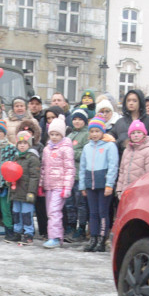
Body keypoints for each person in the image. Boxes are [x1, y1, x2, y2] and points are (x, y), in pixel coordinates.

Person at [79, 117, 118, 252]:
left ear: (103, 131)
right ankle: (93, 237)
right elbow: (82, 167)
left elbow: (113, 166)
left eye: (97, 131)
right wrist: (83, 185)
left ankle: (102, 238)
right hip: (91, 184)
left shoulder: (109, 146)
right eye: (92, 131)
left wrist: (109, 184)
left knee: (103, 212)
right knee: (93, 213)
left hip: (103, 184)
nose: (94, 134)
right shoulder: (87, 147)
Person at [40, 116, 75, 249]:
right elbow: (44, 168)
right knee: (50, 212)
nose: (54, 137)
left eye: (57, 134)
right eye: (52, 134)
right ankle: (56, 236)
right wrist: (41, 183)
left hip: (60, 186)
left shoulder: (66, 149)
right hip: (49, 185)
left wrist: (67, 187)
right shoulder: (46, 149)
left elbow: (69, 169)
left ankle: (54, 237)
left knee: (54, 211)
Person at [8, 131, 42, 245]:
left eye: (25, 143)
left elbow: (34, 176)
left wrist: (31, 192)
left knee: (26, 213)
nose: (22, 145)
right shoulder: (16, 157)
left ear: (29, 144)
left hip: (27, 191)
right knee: (16, 213)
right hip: (16, 191)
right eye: (20, 143)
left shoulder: (32, 158)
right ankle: (17, 231)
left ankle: (28, 233)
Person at [64, 108, 90, 243]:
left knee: (81, 203)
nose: (77, 121)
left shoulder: (86, 135)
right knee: (69, 203)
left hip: (80, 175)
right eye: (75, 119)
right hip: (69, 176)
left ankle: (81, 228)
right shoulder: (69, 136)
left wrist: (72, 153)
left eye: (80, 119)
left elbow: (87, 152)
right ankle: (71, 226)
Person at [116, 119, 149, 201]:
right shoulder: (126, 151)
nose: (136, 135)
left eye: (139, 132)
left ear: (144, 134)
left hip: (140, 191)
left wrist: (147, 190)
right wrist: (119, 189)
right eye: (133, 133)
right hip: (126, 190)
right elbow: (122, 171)